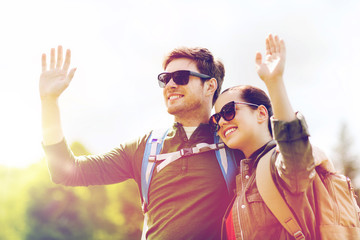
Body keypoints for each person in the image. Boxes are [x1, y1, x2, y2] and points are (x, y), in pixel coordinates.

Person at [39, 46, 239, 239]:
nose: (170, 85)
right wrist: (49, 102)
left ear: (210, 86)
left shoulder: (234, 145)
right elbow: (65, 172)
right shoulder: (146, 147)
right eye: (165, 79)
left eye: (180, 77)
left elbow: (271, 163)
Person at [209, 34, 317, 239]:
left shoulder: (279, 166)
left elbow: (295, 155)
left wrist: (274, 82)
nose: (222, 122)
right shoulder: (239, 184)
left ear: (261, 113)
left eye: (229, 111)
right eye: (217, 118)